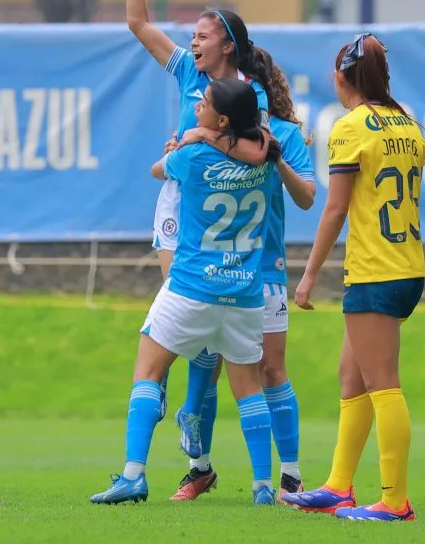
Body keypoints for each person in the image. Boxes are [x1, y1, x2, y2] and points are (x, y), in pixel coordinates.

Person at [89, 77, 282, 506]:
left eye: (206, 104)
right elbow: (262, 143)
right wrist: (216, 136)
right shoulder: (265, 161)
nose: (198, 107)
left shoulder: (192, 156)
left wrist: (195, 140)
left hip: (192, 286)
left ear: (223, 119)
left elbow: (159, 168)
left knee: (149, 372)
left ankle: (134, 475)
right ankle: (263, 487)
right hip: (245, 294)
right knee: (248, 388)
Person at [125, 0, 272, 428]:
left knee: (201, 309)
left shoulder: (249, 92)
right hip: (178, 197)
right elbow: (140, 26)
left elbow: (258, 149)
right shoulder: (188, 71)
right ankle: (167, 388)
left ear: (227, 44)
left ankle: (191, 407)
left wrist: (202, 136)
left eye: (202, 35)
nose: (192, 42)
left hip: (219, 206)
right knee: (179, 298)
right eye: (191, 34)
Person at [281, 33, 425, 522]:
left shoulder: (351, 127)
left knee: (383, 383)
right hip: (406, 266)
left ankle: (394, 501)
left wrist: (307, 277)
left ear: (343, 76)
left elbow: (335, 209)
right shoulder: (409, 124)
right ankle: (339, 486)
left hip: (375, 271)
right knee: (353, 376)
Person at [169, 48, 317, 502]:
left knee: (271, 369)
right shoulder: (215, 133)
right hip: (215, 268)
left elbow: (308, 196)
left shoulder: (284, 135)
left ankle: (288, 477)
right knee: (205, 366)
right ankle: (200, 469)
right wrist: (198, 137)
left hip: (264, 268)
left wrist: (277, 160)